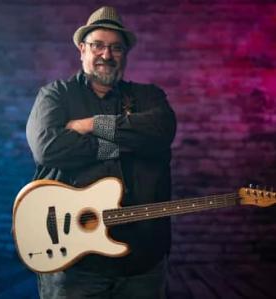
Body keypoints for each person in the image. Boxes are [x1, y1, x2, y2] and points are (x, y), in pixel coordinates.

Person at [26, 6, 176, 299]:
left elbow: (161, 131)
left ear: (125, 55)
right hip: (72, 263)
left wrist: (92, 124)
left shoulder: (149, 97)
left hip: (142, 261)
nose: (106, 55)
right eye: (98, 45)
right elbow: (48, 149)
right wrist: (123, 144)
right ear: (82, 49)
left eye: (116, 48)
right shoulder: (55, 95)